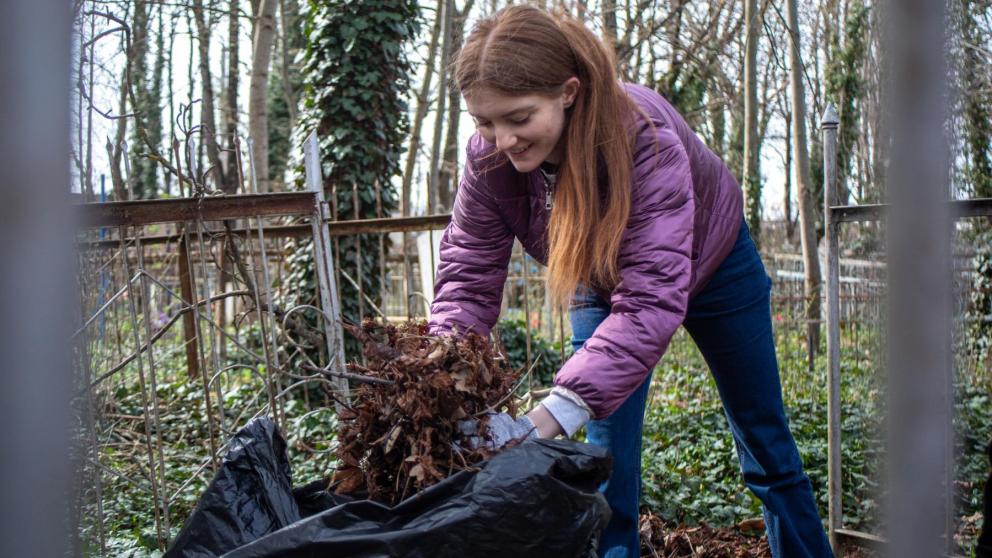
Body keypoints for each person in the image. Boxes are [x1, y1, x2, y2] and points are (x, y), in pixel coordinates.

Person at [427, 5, 834, 558]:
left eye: (518, 118)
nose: (502, 140)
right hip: (598, 277)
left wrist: (547, 417)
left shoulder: (643, 136)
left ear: (567, 92)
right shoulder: (488, 161)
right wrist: (444, 373)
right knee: (608, 460)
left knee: (765, 442)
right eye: (484, 122)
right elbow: (468, 277)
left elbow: (650, 296)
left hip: (715, 266)